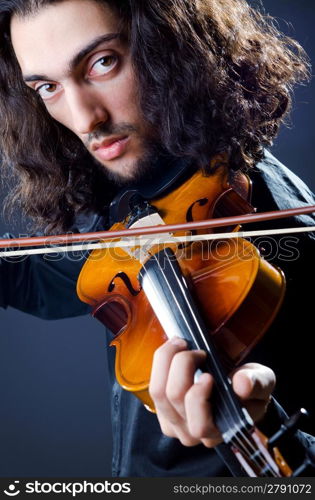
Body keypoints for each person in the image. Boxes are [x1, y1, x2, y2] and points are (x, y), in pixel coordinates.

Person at [0, 0, 314, 477]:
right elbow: (55, 279)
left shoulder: (272, 222)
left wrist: (265, 425)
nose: (84, 119)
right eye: (48, 87)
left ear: (170, 47)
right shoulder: (153, 196)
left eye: (103, 62)